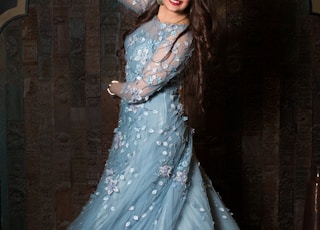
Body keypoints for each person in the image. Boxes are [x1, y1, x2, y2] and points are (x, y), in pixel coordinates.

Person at [68, 0, 240, 229]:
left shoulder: (181, 38)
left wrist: (115, 87)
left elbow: (139, 89)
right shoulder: (151, 9)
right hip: (132, 126)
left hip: (159, 130)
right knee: (132, 194)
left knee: (135, 199)